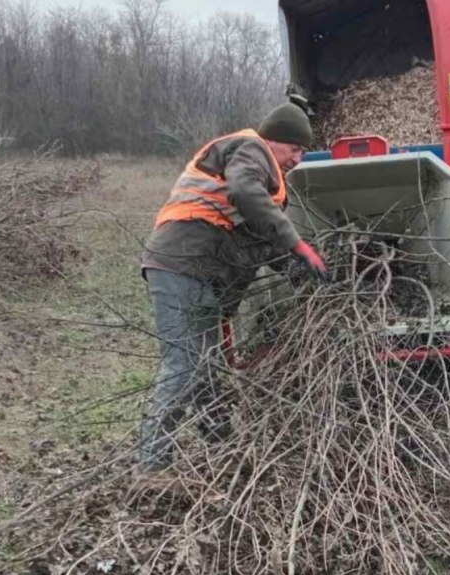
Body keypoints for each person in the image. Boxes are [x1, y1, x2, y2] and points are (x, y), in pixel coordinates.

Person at [136, 102, 328, 478]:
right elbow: (245, 193)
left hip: (200, 272)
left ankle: (224, 451)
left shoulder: (266, 174)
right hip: (181, 262)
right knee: (186, 367)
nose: (299, 159)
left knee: (208, 370)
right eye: (295, 149)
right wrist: (298, 245)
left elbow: (258, 234)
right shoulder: (251, 149)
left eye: (303, 152)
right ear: (275, 141)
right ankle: (151, 467)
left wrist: (300, 270)